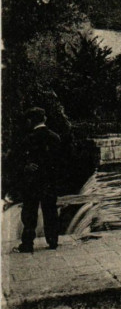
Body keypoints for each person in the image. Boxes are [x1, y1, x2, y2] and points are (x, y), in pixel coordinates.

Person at [12, 107, 62, 252]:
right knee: (51, 211)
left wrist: (26, 167)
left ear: (30, 121)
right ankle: (52, 241)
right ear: (44, 119)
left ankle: (27, 243)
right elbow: (62, 161)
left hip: (32, 181)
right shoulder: (55, 137)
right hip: (50, 181)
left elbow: (16, 160)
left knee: (29, 212)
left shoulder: (28, 139)